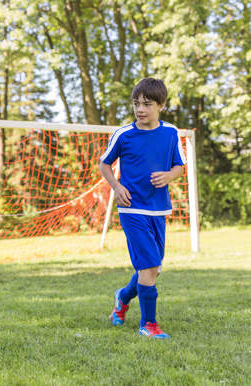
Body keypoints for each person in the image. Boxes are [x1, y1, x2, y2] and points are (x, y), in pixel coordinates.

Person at [99, 78, 186, 339]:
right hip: (131, 208)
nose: (140, 109)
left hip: (158, 209)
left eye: (147, 104)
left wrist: (169, 176)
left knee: (152, 269)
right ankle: (148, 325)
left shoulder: (170, 132)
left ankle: (122, 298)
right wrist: (116, 187)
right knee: (149, 265)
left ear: (161, 105)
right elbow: (104, 164)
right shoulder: (123, 134)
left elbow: (179, 166)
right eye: (136, 103)